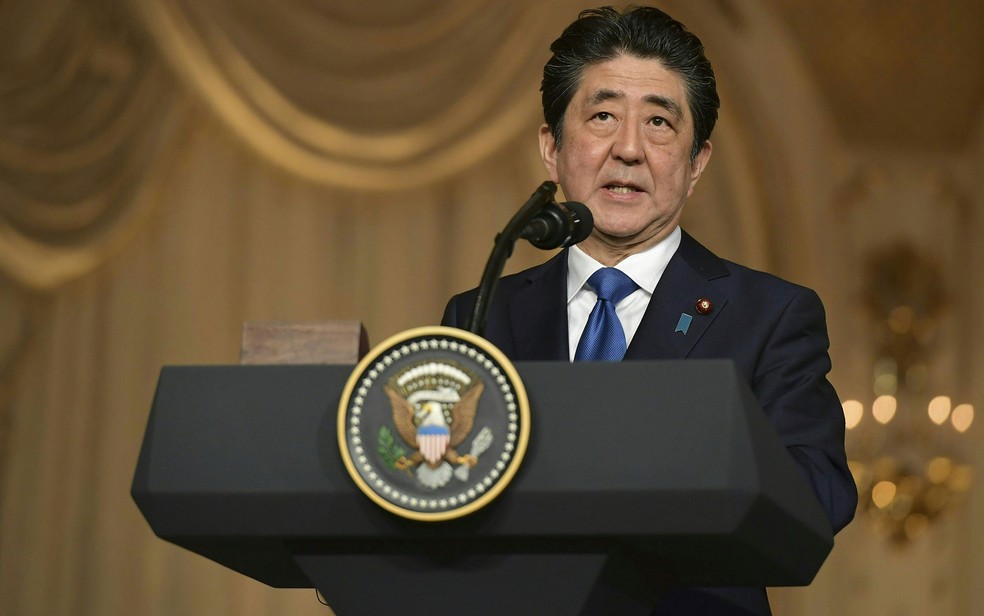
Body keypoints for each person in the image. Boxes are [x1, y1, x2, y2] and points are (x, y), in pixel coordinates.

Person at [442, 6, 857, 615]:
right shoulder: (483, 314)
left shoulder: (770, 316)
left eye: (660, 123)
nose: (629, 149)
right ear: (552, 148)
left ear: (696, 165)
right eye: (603, 115)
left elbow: (818, 495)